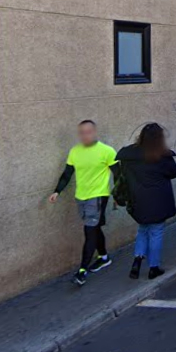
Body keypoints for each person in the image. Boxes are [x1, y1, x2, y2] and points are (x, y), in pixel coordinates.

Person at [49, 120, 118, 286]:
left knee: (89, 231)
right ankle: (104, 257)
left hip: (98, 196)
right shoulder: (75, 151)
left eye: (88, 132)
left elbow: (118, 174)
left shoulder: (107, 151)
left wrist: (117, 195)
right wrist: (57, 191)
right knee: (95, 228)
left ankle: (82, 271)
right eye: (82, 132)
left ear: (95, 132)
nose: (85, 135)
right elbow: (67, 174)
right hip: (81, 197)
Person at [118, 123, 176, 279]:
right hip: (159, 202)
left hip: (138, 201)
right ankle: (154, 267)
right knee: (156, 232)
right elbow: (175, 172)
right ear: (160, 139)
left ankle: (137, 260)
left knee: (143, 229)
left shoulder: (129, 155)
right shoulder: (162, 156)